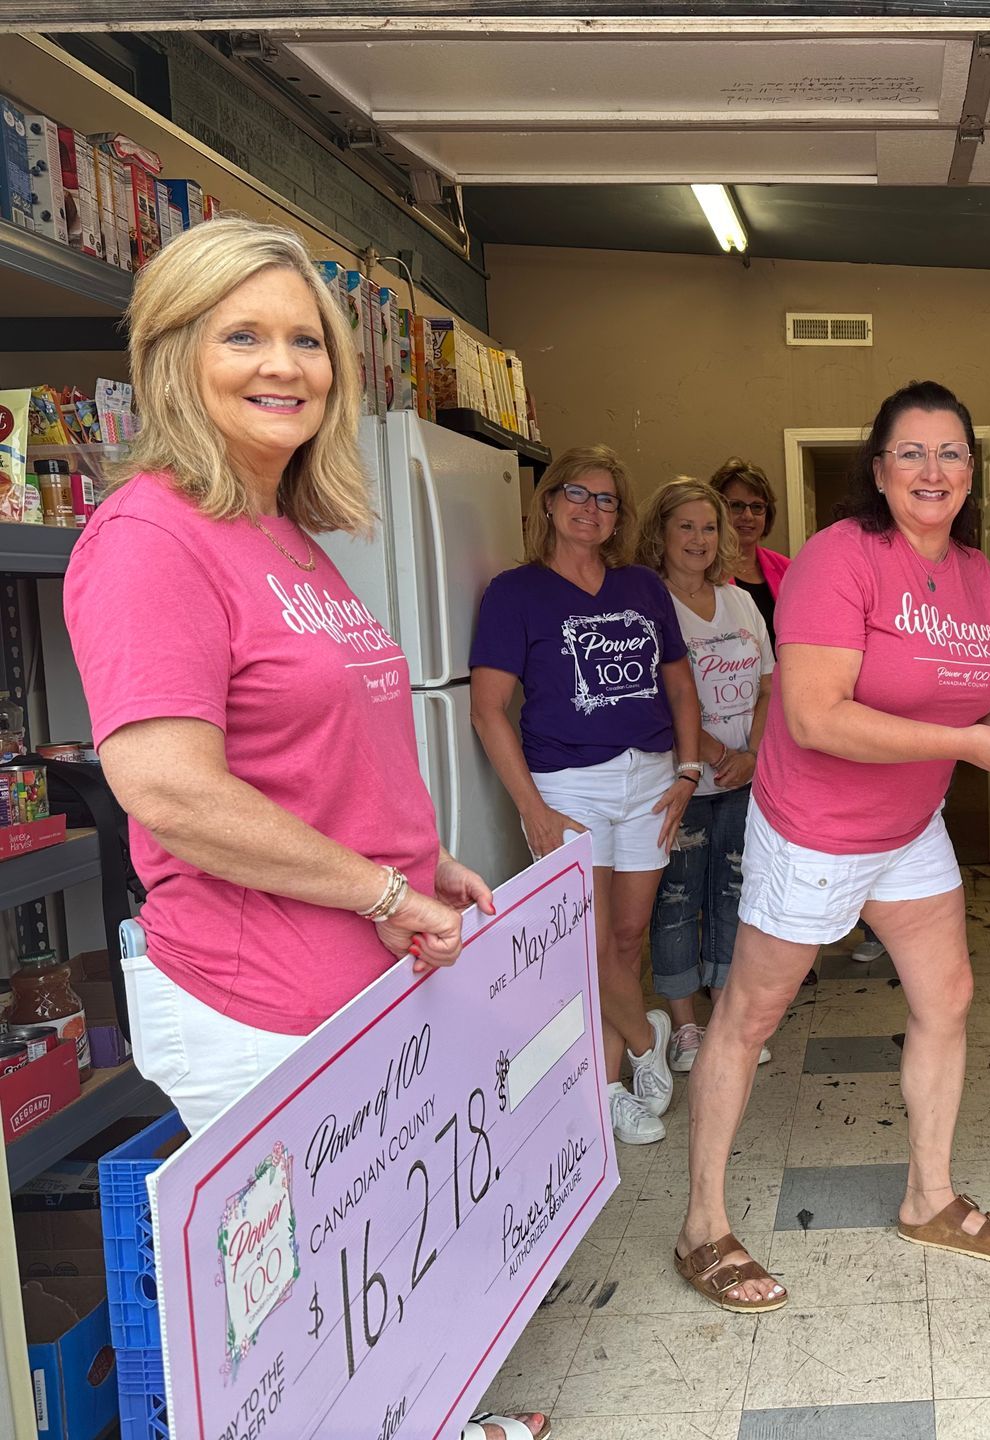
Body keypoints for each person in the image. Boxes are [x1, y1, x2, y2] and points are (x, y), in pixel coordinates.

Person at [63, 216, 548, 1440]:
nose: (284, 365)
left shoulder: (280, 530)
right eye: (243, 336)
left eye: (305, 340)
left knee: (373, 1282)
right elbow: (170, 789)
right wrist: (381, 894)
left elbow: (319, 754)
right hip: (256, 995)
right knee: (293, 1345)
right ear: (174, 355)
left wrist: (417, 857)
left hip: (355, 973)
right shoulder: (148, 537)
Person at [671, 380, 990, 1313]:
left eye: (951, 452)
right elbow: (818, 718)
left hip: (908, 829)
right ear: (880, 468)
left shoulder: (977, 574)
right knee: (750, 1016)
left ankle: (929, 1196)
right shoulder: (841, 558)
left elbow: (970, 698)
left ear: (971, 469)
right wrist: (965, 745)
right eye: (912, 452)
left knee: (947, 997)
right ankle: (703, 1223)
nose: (933, 470)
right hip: (815, 828)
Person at [471, 445, 705, 1148]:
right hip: (569, 787)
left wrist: (689, 772)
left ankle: (616, 1063)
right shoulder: (515, 593)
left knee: (626, 940)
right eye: (577, 493)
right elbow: (488, 710)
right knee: (587, 943)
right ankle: (636, 1047)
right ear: (548, 501)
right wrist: (534, 810)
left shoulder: (640, 586)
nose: (591, 509)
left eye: (606, 500)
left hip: (653, 782)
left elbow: (681, 684)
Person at [638, 477, 776, 1073]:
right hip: (681, 781)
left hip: (746, 780)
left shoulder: (741, 601)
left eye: (709, 527)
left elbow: (770, 683)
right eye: (685, 526)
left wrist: (755, 755)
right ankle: (685, 1027)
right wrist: (718, 753)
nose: (699, 539)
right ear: (661, 533)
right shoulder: (648, 603)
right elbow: (655, 698)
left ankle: (725, 1015)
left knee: (737, 898)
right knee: (676, 898)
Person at [715, 457, 788, 638]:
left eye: (757, 507)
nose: (748, 516)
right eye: (737, 506)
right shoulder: (702, 571)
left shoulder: (788, 569)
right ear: (716, 510)